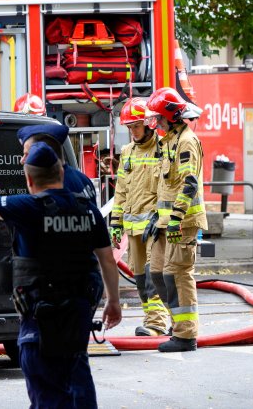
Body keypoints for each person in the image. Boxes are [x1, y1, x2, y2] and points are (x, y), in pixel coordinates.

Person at [0, 141, 121, 408]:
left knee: (47, 397)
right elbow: (107, 260)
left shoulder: (29, 208)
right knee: (78, 383)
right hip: (76, 319)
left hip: (40, 322)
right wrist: (114, 301)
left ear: (29, 180)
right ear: (62, 174)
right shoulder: (87, 210)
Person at [143, 88, 207, 352]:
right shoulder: (168, 140)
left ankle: (186, 335)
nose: (155, 123)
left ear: (170, 116)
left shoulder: (186, 141)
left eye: (158, 118)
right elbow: (166, 185)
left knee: (177, 275)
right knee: (156, 272)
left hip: (183, 222)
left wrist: (176, 218)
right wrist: (157, 215)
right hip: (165, 221)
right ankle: (176, 325)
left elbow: (189, 185)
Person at [111, 98, 170, 337]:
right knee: (139, 276)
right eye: (129, 127)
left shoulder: (164, 149)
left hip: (155, 226)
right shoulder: (127, 152)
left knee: (153, 276)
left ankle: (157, 323)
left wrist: (163, 218)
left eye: (136, 126)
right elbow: (121, 191)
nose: (132, 131)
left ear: (149, 124)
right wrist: (115, 225)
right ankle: (151, 320)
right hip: (133, 227)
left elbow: (170, 187)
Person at [18, 124, 97, 204]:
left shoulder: (55, 189)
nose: (22, 160)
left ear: (45, 151)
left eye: (28, 154)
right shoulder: (82, 178)